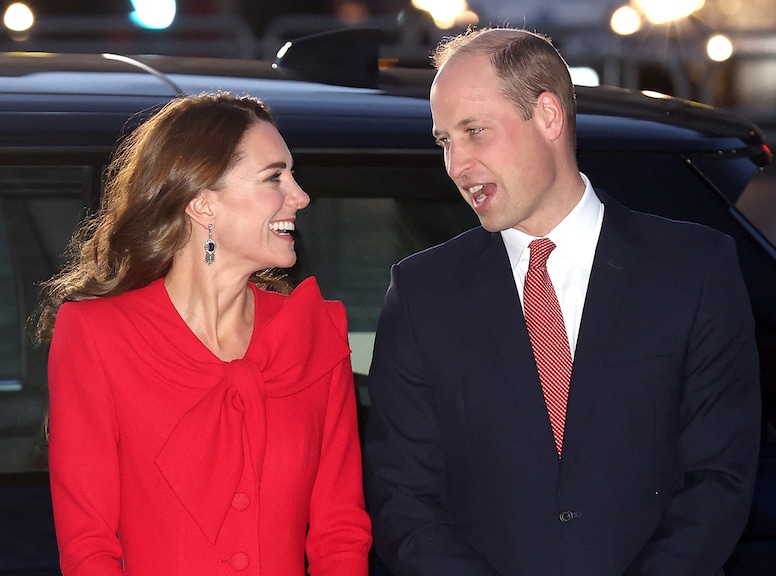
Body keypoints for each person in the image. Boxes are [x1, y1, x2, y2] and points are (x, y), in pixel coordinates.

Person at [364, 27, 761, 576]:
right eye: (444, 141)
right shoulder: (421, 292)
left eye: (474, 132)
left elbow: (718, 481)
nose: (456, 164)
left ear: (549, 116)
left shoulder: (693, 270)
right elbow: (403, 502)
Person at [36, 92, 372, 576]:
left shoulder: (312, 333)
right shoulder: (97, 335)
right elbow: (88, 547)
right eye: (274, 177)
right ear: (201, 202)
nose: (300, 196)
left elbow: (340, 532)